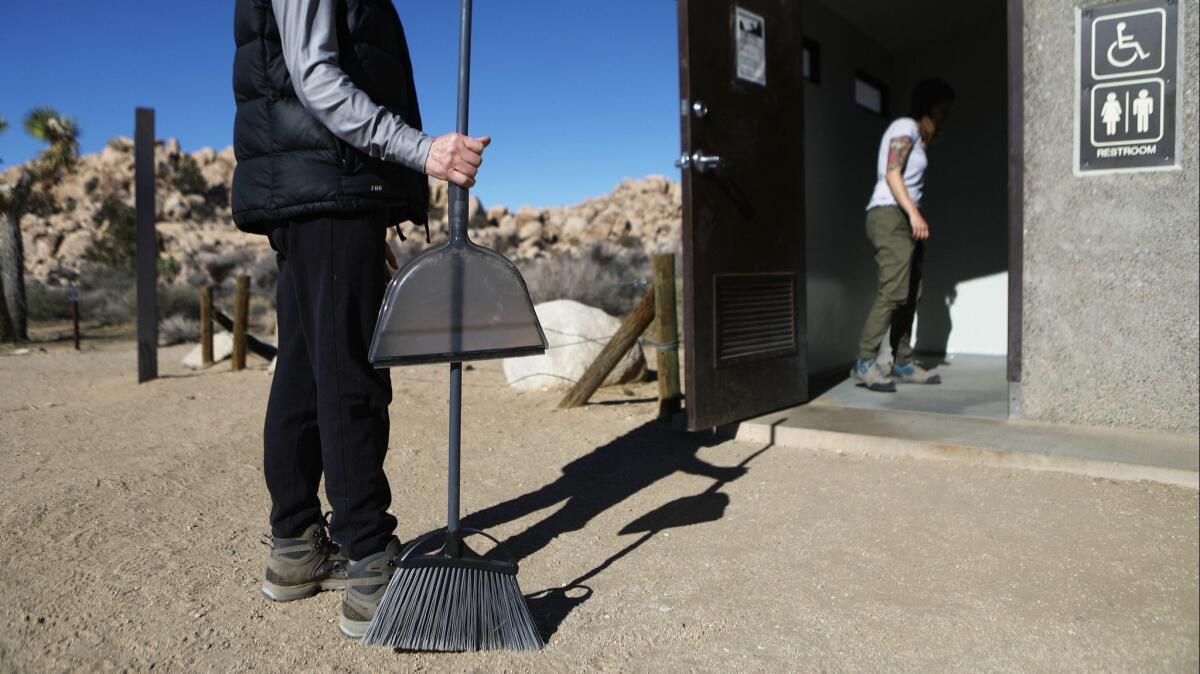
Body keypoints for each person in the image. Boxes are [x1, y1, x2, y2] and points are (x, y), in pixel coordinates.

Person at [230, 0, 490, 639]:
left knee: (303, 371)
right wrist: (423, 152)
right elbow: (318, 78)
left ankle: (296, 546)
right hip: (329, 188)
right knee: (349, 373)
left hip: (319, 189)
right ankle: (370, 564)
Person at [851, 78, 955, 393]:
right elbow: (892, 172)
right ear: (931, 106)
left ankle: (901, 362)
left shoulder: (919, 139)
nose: (945, 115)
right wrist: (913, 213)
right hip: (889, 214)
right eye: (943, 108)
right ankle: (865, 361)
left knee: (911, 294)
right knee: (894, 291)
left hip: (904, 219)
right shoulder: (905, 126)